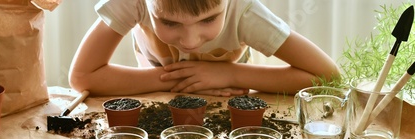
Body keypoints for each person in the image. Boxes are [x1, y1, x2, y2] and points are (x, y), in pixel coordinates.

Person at [68, 0, 340, 96]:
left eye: (209, 19)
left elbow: (328, 76)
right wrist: (175, 82)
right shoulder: (132, 2)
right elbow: (83, 77)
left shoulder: (243, 10)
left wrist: (229, 75)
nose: (190, 40)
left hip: (230, 104)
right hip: (161, 102)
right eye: (169, 22)